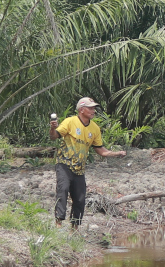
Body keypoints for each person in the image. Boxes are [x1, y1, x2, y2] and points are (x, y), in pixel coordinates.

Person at [49, 97, 125, 228]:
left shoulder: (95, 128)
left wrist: (116, 154)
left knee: (80, 198)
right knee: (63, 190)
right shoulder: (70, 122)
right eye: (90, 108)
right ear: (81, 110)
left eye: (94, 108)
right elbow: (54, 136)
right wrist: (52, 128)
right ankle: (58, 223)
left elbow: (101, 150)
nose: (93, 111)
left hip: (80, 168)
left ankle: (75, 228)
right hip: (64, 164)